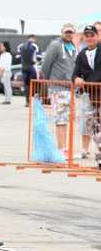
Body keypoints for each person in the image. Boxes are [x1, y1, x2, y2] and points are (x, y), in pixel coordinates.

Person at [41, 23, 78, 157]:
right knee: (60, 119)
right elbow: (46, 65)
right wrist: (49, 81)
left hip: (70, 88)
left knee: (67, 119)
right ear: (62, 32)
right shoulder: (55, 46)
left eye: (70, 32)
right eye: (66, 32)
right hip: (58, 87)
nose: (68, 34)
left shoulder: (74, 47)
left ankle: (65, 147)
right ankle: (61, 148)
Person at [72, 25, 101, 160]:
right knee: (91, 125)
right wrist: (76, 79)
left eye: (92, 36)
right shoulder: (82, 54)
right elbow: (75, 73)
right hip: (91, 95)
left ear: (97, 36)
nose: (89, 39)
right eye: (87, 36)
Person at [17, 34, 40, 107]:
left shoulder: (21, 46)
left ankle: (27, 101)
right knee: (35, 83)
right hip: (32, 66)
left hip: (23, 66)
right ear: (33, 39)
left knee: (26, 84)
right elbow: (40, 56)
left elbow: (18, 56)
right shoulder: (34, 45)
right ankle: (37, 101)